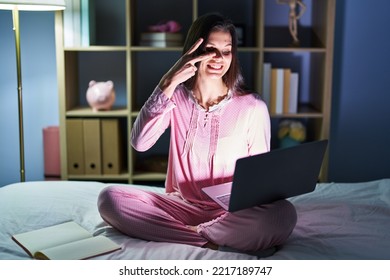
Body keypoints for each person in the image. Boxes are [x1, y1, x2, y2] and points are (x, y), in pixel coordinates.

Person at [97, 13, 297, 257]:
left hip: (231, 212)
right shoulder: (176, 97)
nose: (219, 58)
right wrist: (167, 82)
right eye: (210, 49)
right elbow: (140, 143)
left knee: (283, 214)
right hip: (181, 206)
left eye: (227, 50)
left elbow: (259, 180)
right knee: (109, 199)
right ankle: (206, 239)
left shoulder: (252, 106)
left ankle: (193, 233)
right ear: (193, 51)